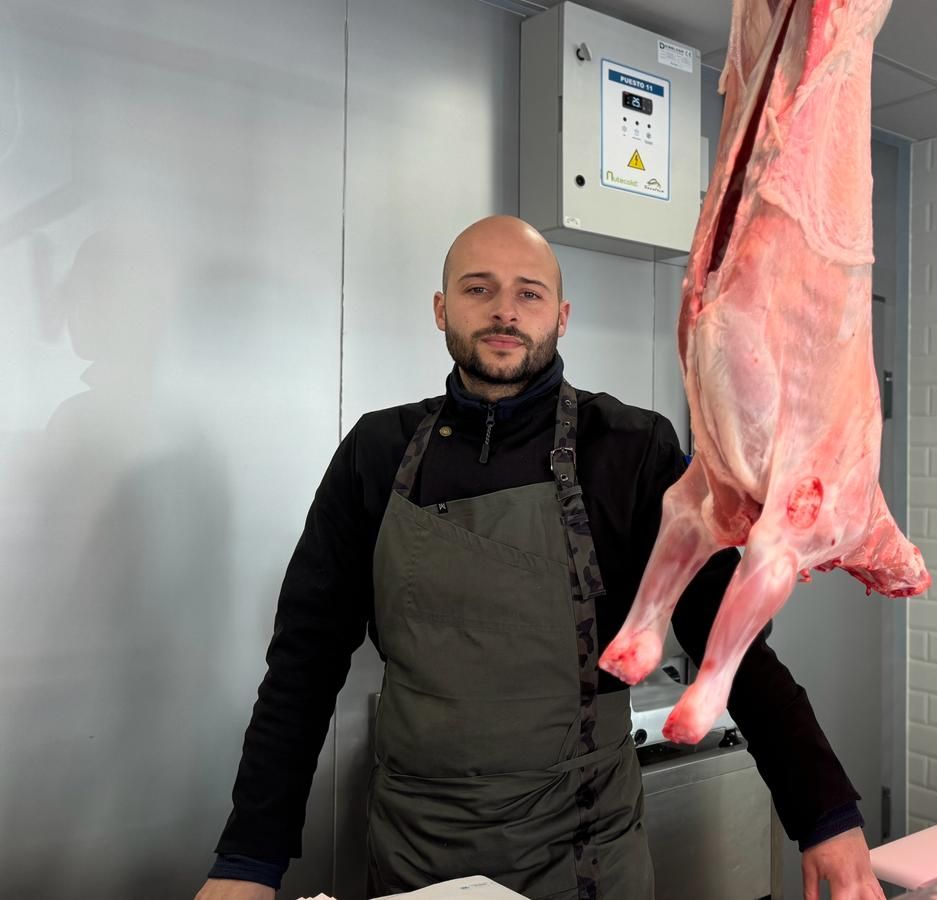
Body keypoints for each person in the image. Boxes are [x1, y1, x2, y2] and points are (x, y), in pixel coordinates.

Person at [196, 216, 883, 900]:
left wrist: (824, 812)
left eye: (528, 293)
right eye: (477, 289)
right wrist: (248, 859)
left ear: (561, 314)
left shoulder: (632, 449)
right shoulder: (375, 454)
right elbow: (303, 664)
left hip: (583, 857)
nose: (504, 311)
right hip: (416, 852)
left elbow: (727, 639)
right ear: (441, 310)